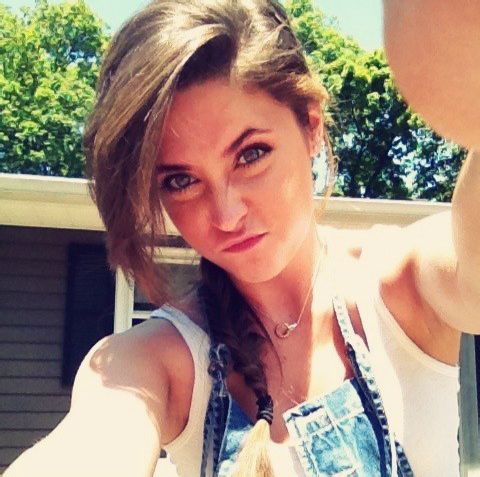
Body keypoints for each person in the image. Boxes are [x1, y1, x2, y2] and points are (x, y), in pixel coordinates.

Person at [5, 0, 480, 476]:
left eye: (251, 154)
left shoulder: (401, 285)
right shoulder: (156, 360)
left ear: (311, 126)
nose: (227, 214)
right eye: (181, 181)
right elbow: (92, 442)